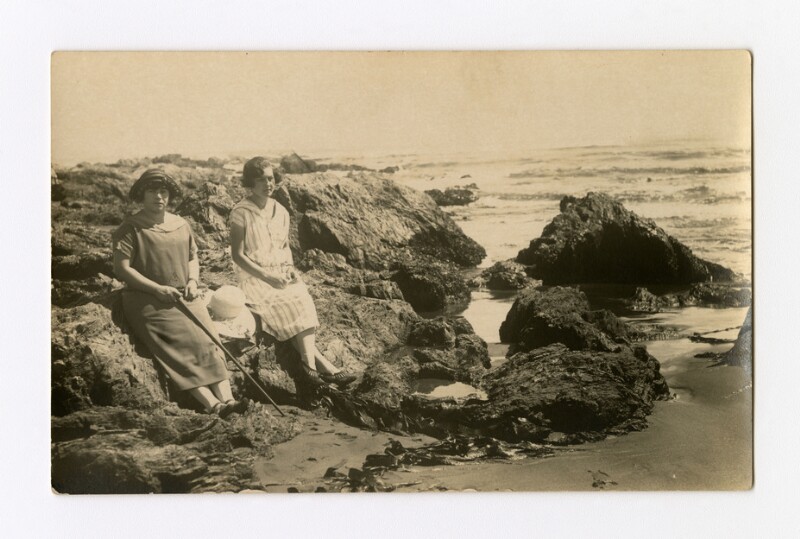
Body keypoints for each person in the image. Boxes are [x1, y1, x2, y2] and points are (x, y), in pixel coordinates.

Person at [112, 169, 249, 418]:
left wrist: (193, 281)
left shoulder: (181, 224)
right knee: (177, 351)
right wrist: (157, 289)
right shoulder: (130, 228)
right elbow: (122, 269)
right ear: (141, 195)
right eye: (152, 191)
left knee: (208, 341)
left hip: (184, 295)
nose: (158, 196)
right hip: (146, 299)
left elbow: (192, 257)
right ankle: (214, 405)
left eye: (163, 191)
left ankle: (229, 400)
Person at [229, 157, 356, 388]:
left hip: (280, 274)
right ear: (250, 183)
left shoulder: (282, 212)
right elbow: (237, 256)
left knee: (301, 297)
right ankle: (320, 368)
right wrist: (267, 277)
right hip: (253, 278)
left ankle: (313, 369)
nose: (268, 184)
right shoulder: (241, 212)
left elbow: (284, 247)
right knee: (293, 302)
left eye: (270, 178)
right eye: (261, 180)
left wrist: (290, 269)